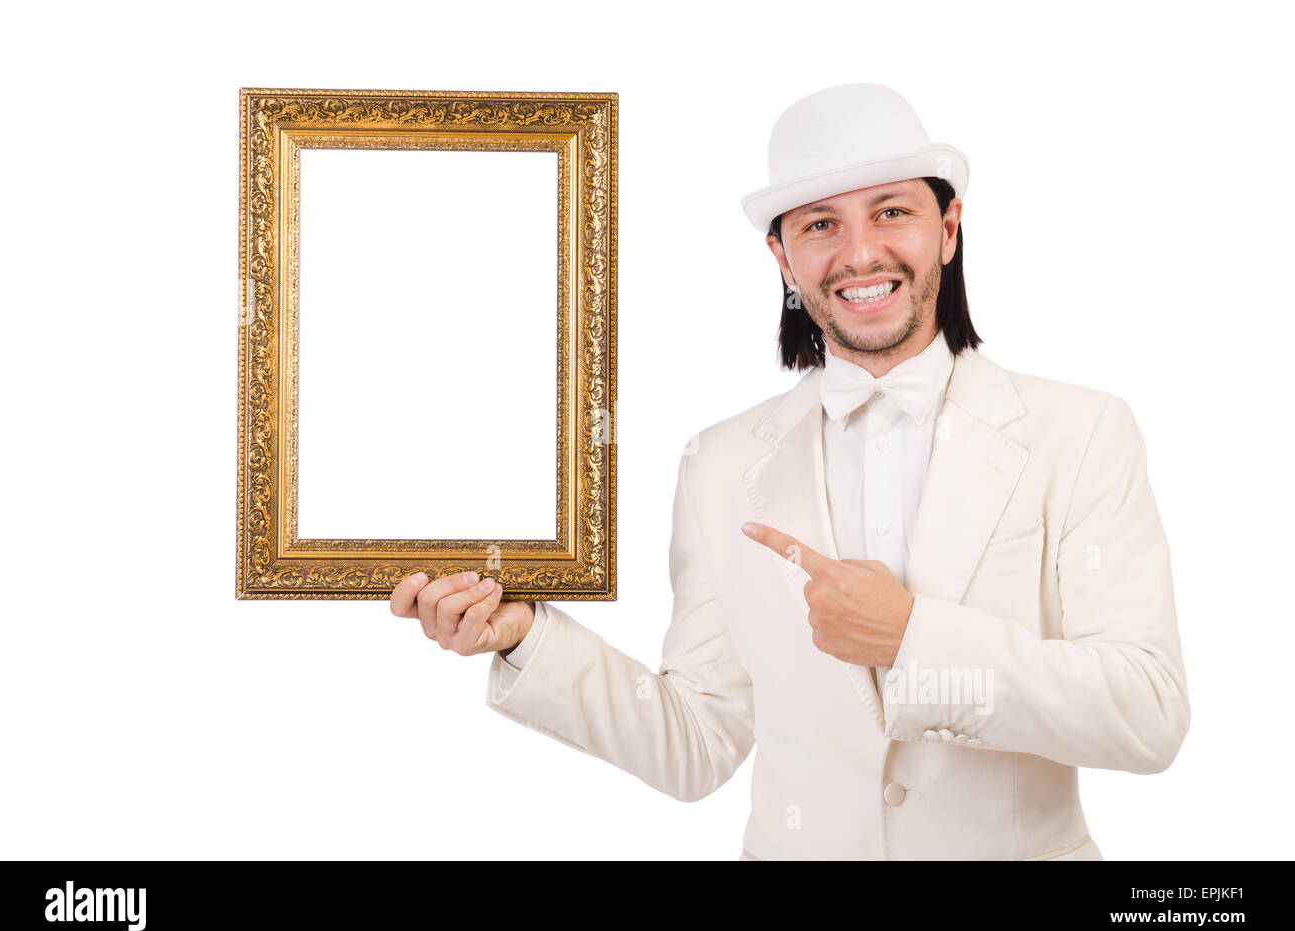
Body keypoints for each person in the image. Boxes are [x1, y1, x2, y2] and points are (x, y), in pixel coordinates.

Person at [389, 83, 1190, 860]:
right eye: (819, 225)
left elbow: (1149, 711)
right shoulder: (721, 462)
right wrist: (528, 636)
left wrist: (914, 636)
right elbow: (695, 740)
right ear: (782, 255)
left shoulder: (1080, 431)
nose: (860, 253)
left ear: (948, 227)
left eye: (892, 211)